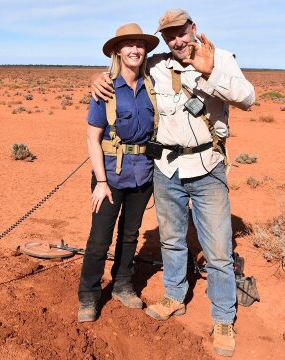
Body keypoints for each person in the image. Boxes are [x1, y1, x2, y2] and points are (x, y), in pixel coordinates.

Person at [91, 9, 255, 357]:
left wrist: (210, 72)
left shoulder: (221, 58)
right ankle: (174, 296)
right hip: (166, 168)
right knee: (172, 239)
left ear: (193, 29)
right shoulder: (158, 67)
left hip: (208, 166)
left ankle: (223, 317)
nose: (178, 41)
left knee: (219, 251)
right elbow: (124, 68)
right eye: (170, 36)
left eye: (182, 32)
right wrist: (97, 78)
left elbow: (247, 98)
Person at [78, 23, 159, 323]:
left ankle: (123, 284)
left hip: (142, 175)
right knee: (99, 238)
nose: (135, 49)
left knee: (130, 234)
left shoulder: (152, 87)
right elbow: (92, 138)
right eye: (128, 44)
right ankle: (88, 295)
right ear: (117, 51)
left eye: (140, 44)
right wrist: (100, 182)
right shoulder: (106, 88)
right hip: (109, 176)